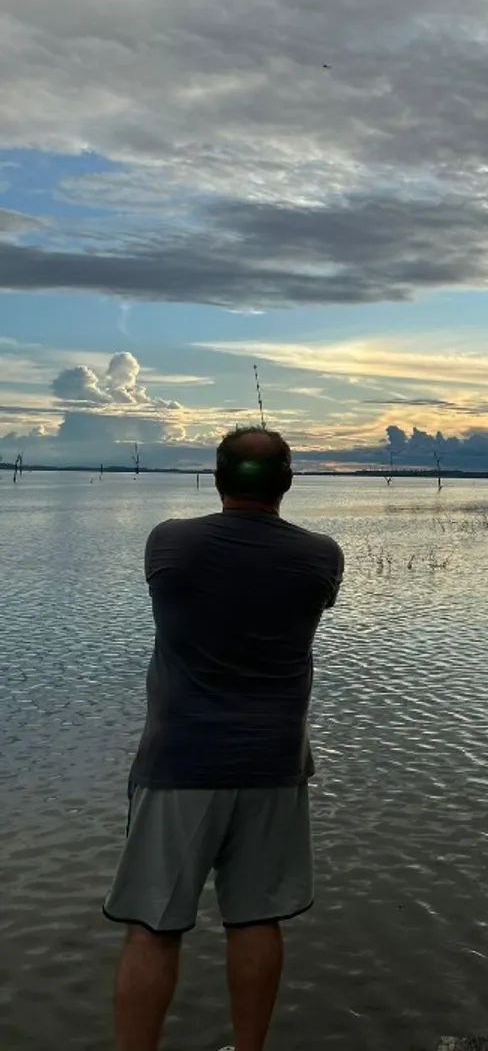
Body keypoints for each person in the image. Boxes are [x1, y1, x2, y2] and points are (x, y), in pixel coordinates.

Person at [102, 427, 344, 1051]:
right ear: (288, 481)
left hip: (178, 762)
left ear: (217, 477)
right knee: (256, 919)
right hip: (274, 762)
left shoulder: (170, 542)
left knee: (154, 926)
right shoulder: (322, 556)